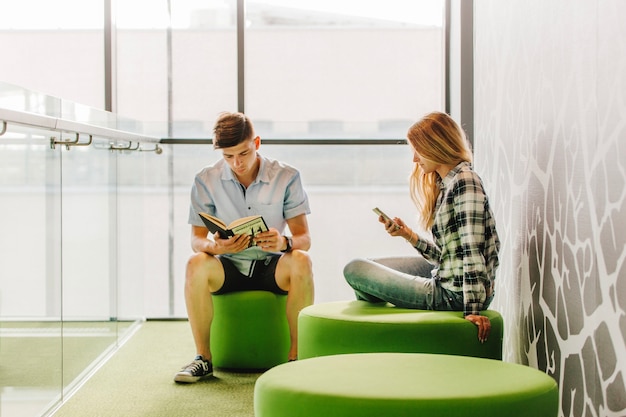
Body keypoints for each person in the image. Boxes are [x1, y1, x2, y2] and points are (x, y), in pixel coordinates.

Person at [174, 112, 314, 383]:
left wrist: (283, 242)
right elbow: (196, 241)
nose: (237, 163)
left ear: (257, 143)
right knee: (195, 263)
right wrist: (217, 248)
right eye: (228, 156)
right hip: (228, 266)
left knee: (302, 259)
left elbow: (304, 238)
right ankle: (203, 359)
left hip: (271, 265)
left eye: (243, 153)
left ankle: (296, 358)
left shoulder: (286, 176)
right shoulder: (206, 179)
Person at [343, 111, 500, 343]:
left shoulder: (465, 182)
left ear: (436, 146)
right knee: (370, 266)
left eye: (418, 150)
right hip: (449, 277)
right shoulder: (447, 184)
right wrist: (408, 235)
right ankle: (382, 326)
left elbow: (472, 249)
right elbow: (447, 256)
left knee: (354, 269)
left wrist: (473, 311)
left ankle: (378, 337)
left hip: (453, 295)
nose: (415, 159)